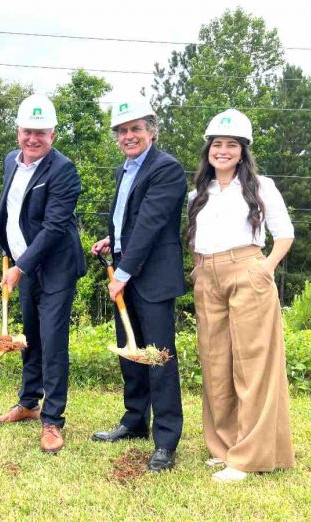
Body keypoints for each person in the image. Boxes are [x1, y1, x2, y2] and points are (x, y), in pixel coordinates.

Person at [188, 109, 295, 482]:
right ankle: (225, 446)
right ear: (208, 151)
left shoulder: (261, 185)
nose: (223, 150)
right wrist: (198, 270)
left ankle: (249, 457)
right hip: (207, 275)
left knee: (252, 364)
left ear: (243, 150)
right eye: (217, 144)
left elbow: (284, 234)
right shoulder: (198, 192)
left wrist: (264, 269)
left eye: (231, 144)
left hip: (248, 269)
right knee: (216, 363)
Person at [90, 97, 186, 472]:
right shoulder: (123, 170)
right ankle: (134, 422)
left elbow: (150, 224)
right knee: (132, 357)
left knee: (158, 359)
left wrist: (123, 273)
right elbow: (127, 221)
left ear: (151, 130)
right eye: (122, 131)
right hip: (126, 273)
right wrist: (111, 242)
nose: (129, 136)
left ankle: (165, 441)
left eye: (135, 129)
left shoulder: (167, 169)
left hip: (152, 280)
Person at [0, 94, 86, 453]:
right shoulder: (10, 163)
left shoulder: (63, 170)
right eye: (28, 131)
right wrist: (4, 237)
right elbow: (13, 209)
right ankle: (29, 403)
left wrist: (20, 267)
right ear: (18, 131)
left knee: (53, 340)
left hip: (56, 268)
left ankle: (53, 420)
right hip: (24, 264)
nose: (33, 139)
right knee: (31, 336)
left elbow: (54, 227)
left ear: (53, 135)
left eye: (41, 133)